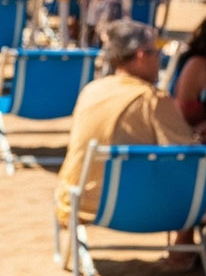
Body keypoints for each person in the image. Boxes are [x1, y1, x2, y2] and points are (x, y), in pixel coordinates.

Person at [55, 19, 196, 232]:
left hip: (78, 201)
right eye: (157, 53)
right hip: (141, 208)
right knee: (204, 186)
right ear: (141, 55)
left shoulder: (91, 90)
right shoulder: (151, 99)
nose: (160, 59)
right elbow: (187, 156)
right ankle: (186, 253)